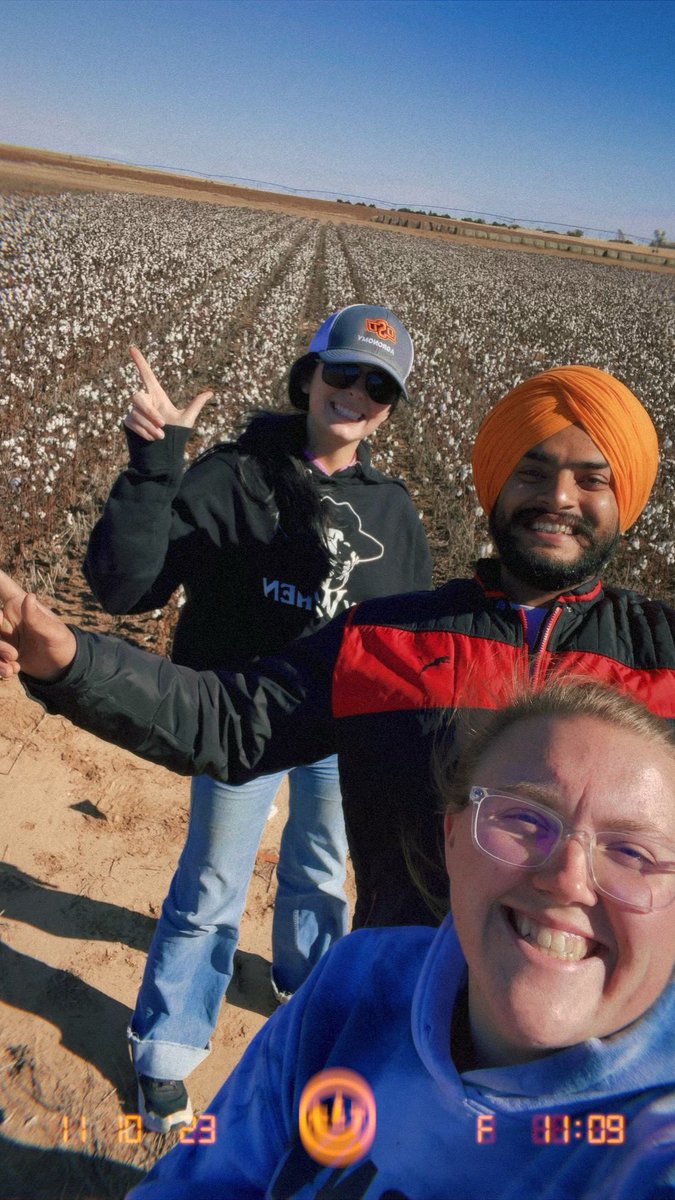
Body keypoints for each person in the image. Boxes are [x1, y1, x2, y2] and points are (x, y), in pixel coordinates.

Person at [1, 365, 674, 928]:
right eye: (531, 472)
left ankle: (300, 980)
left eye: (592, 480)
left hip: (597, 1028)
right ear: (495, 483)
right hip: (399, 995)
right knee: (217, 879)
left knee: (318, 868)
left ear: (628, 498)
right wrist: (68, 659)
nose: (559, 498)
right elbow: (227, 719)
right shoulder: (392, 637)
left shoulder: (660, 652)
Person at [81, 306, 432, 1131]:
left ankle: (304, 993)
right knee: (212, 883)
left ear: (389, 409)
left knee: (322, 869)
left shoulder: (392, 510)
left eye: (377, 386)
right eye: (341, 372)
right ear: (308, 377)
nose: (355, 393)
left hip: (337, 732)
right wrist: (154, 465)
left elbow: (405, 635)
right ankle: (167, 1048)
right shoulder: (231, 477)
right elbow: (124, 589)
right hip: (242, 724)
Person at [120, 678, 675, 1198]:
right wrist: (84, 669)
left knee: (316, 872)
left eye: (635, 853)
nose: (569, 880)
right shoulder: (357, 981)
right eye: (524, 818)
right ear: (451, 835)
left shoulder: (652, 1142)